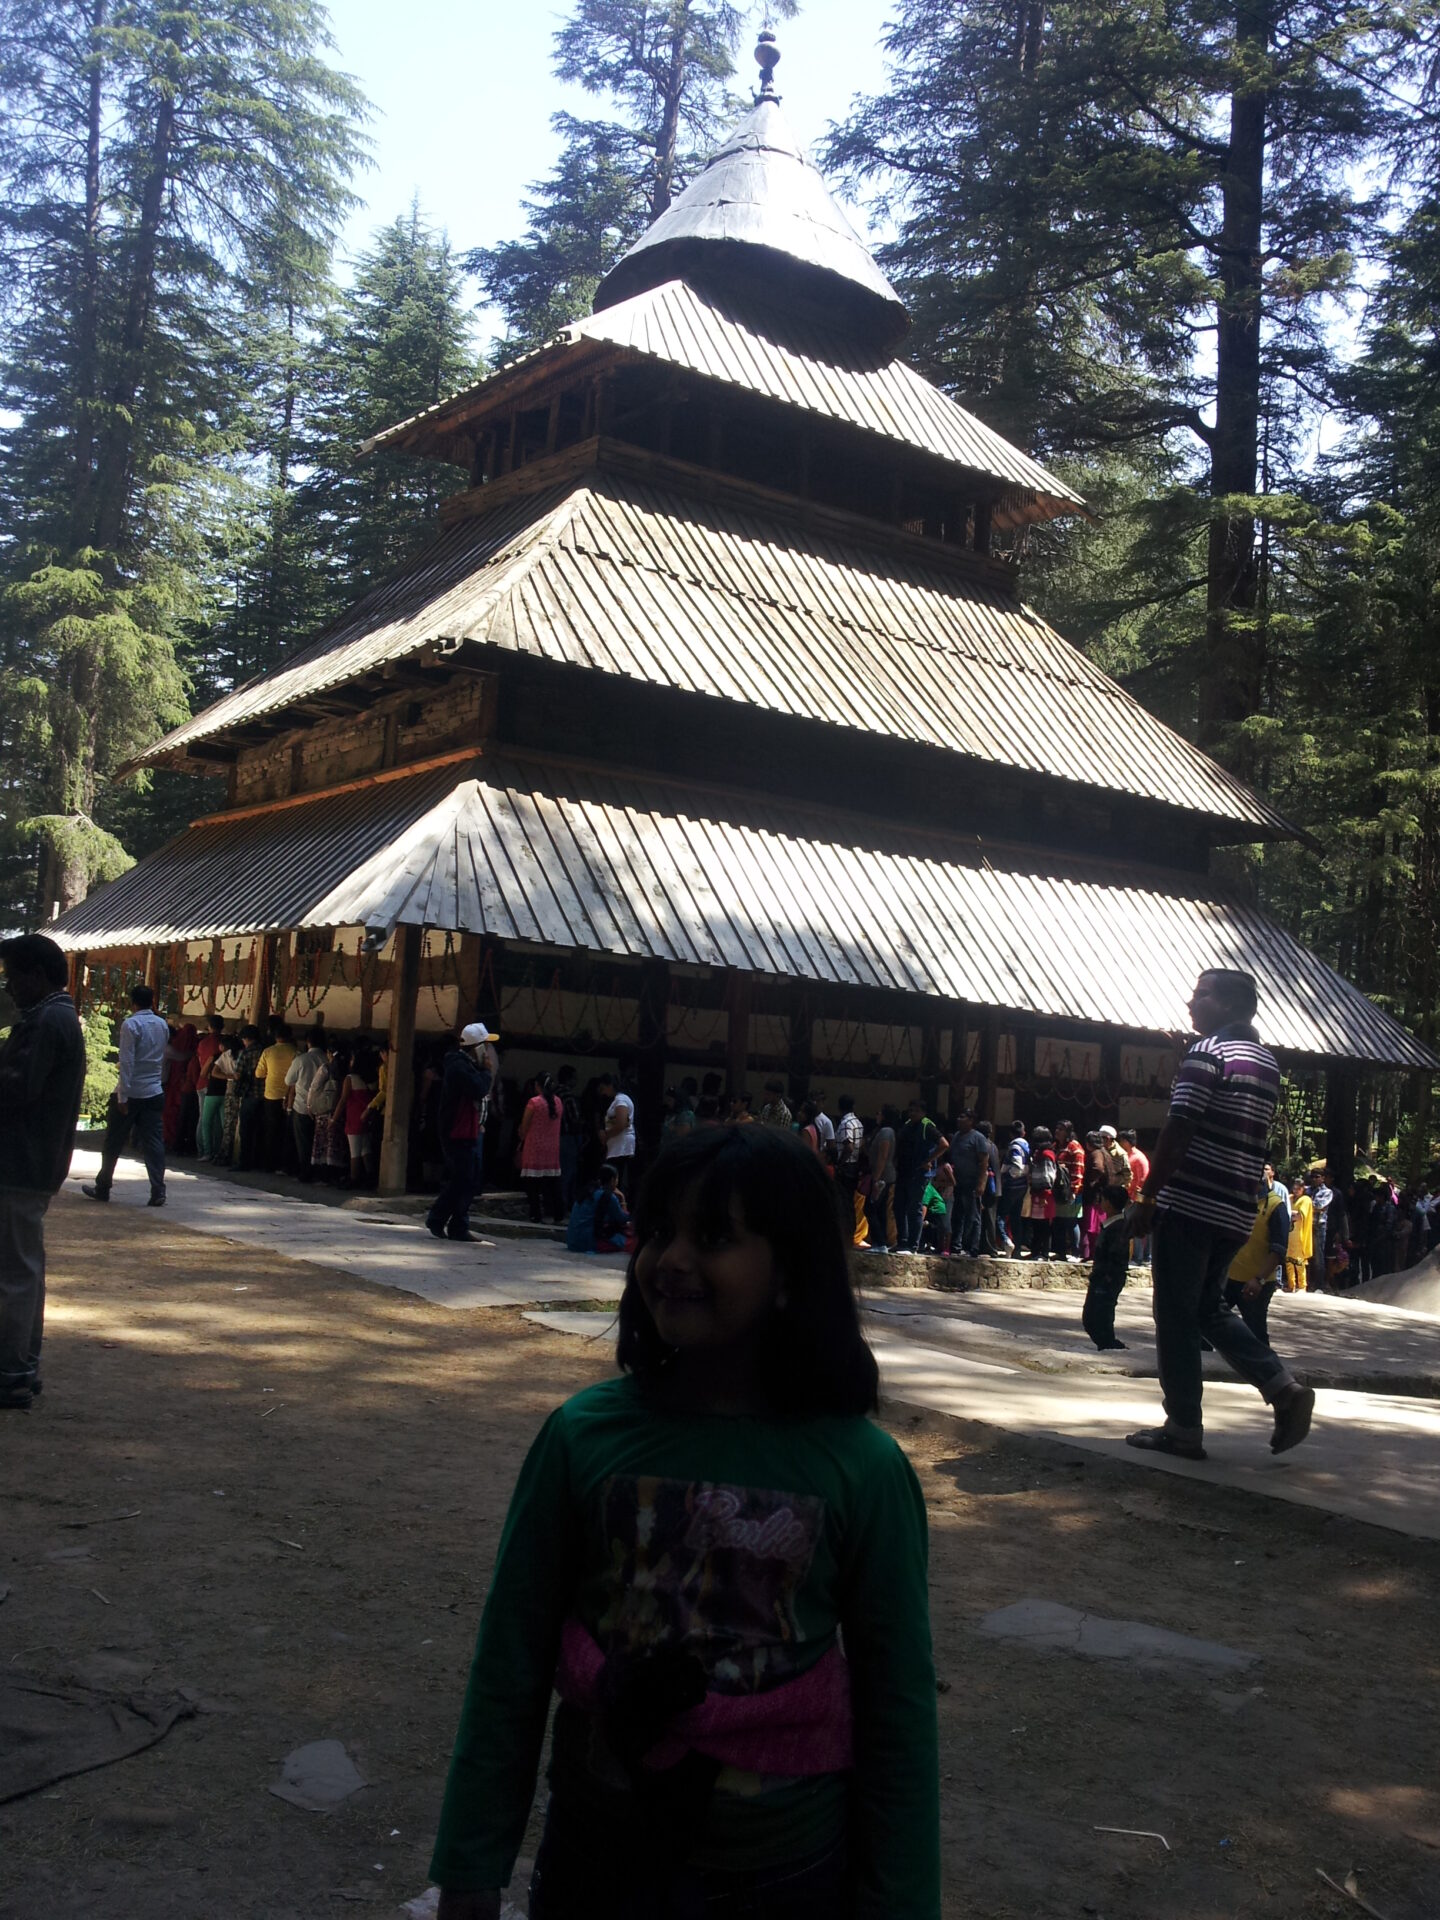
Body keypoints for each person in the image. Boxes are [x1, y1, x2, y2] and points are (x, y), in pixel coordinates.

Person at [428, 1125, 940, 1920]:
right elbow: (512, 1659)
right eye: (660, 1231)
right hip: (597, 1857)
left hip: (786, 1873)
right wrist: (470, 1863)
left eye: (713, 1238)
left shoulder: (863, 1472)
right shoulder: (581, 1438)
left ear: (790, 1273)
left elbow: (896, 1706)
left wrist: (901, 1902)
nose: (670, 1260)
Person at [1126, 969, 1315, 1461]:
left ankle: (1184, 1427)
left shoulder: (1207, 1054)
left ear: (1231, 1005)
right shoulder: (1266, 1063)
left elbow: (1179, 1128)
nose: (1191, 1003)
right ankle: (1282, 1387)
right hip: (1235, 1212)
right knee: (1209, 1308)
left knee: (1175, 1315)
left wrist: (1148, 1198)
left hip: (1189, 1204)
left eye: (1202, 995)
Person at [0, 934, 87, 1409]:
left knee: (15, 1273)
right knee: (24, 1269)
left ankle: (12, 1370)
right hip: (31, 1160)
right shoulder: (53, 1015)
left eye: (12, 976)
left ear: (35, 975)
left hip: (20, 1159)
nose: (9, 987)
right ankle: (20, 1367)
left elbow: (18, 1089)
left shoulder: (47, 1019)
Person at [83, 983, 171, 1206]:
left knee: (113, 1141)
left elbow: (127, 1061)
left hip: (132, 1091)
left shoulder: (131, 1025)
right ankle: (158, 1190)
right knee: (153, 1143)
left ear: (133, 1003)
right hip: (154, 1088)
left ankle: (103, 1186)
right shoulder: (162, 1024)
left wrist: (122, 1095)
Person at [426, 1025, 497, 1242]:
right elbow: (478, 1088)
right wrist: (486, 1071)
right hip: (456, 1131)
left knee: (469, 1179)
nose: (487, 1051)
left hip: (469, 1130)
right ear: (474, 1047)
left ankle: (457, 1224)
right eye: (484, 1045)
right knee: (461, 1179)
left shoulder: (467, 1065)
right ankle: (438, 1218)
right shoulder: (458, 1067)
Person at [1224, 1175, 1290, 1347]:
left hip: (1257, 1283)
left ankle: (1268, 1372)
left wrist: (1259, 1279)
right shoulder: (1237, 1200)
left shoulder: (1276, 1207)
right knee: (1204, 1322)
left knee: (1256, 1333)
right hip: (1227, 1278)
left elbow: (1278, 1250)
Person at [1081, 1184, 1133, 1351]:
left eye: (1102, 1200)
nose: (1100, 1203)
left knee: (1099, 1314)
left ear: (1109, 1203)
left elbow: (1116, 1255)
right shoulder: (1111, 1225)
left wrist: (1106, 1276)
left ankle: (1110, 1345)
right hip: (1102, 1276)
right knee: (1093, 1315)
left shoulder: (1118, 1228)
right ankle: (1107, 1344)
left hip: (1107, 1278)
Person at [894, 1098, 948, 1254]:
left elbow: (944, 1144)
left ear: (923, 1112)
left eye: (916, 1110)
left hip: (919, 1173)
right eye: (911, 1110)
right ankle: (902, 1242)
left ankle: (913, 1245)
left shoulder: (927, 1126)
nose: (913, 1113)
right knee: (899, 1206)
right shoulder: (907, 1125)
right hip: (904, 1171)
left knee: (914, 1207)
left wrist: (929, 1160)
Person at [520, 1076, 565, 1224]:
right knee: (553, 1183)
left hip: (534, 1147)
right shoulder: (558, 1101)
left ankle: (535, 1214)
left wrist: (520, 1135)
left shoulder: (534, 1102)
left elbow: (525, 1126)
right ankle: (558, 1213)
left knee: (532, 1184)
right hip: (552, 1148)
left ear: (538, 1086)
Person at [255, 1021, 297, 1173]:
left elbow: (259, 1073)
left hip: (271, 1094)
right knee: (287, 1131)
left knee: (271, 1130)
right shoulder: (295, 1052)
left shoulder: (268, 1051)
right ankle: (285, 1164)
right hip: (290, 1096)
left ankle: (269, 1163)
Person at [284, 1030, 325, 1182]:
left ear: (308, 1042)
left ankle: (305, 1172)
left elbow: (289, 1080)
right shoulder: (326, 1059)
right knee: (320, 1141)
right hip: (322, 1106)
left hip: (301, 1105)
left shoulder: (301, 1059)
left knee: (303, 1141)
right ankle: (320, 1172)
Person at [946, 1111, 988, 1259]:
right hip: (958, 1182)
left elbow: (983, 1162)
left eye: (962, 1117)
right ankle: (956, 1246)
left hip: (972, 1182)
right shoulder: (957, 1136)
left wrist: (981, 1183)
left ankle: (973, 1247)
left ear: (971, 1120)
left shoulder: (978, 1138)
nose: (959, 1119)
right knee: (957, 1215)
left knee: (973, 1216)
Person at [597, 1072, 636, 1201]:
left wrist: (606, 1135)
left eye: (603, 1088)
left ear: (610, 1086)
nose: (603, 1093)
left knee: (615, 1179)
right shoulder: (618, 1100)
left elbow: (621, 1123)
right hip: (617, 1146)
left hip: (621, 1147)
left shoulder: (621, 1100)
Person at [194, 1015, 228, 1161]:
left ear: (209, 1026)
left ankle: (203, 1150)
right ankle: (216, 1150)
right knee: (220, 1121)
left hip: (205, 1084)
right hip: (222, 1085)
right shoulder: (226, 1043)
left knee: (204, 1119)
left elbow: (201, 1066)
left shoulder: (203, 1043)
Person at [864, 1106, 897, 1252]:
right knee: (880, 1209)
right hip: (883, 1175)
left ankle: (880, 1241)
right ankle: (881, 1242)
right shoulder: (883, 1131)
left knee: (870, 1208)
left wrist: (876, 1178)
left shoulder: (885, 1132)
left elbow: (883, 1156)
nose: (876, 1115)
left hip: (882, 1176)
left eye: (879, 1113)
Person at [162, 1021, 198, 1153]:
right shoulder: (173, 1049)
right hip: (182, 1086)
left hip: (171, 1084)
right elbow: (182, 1057)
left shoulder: (174, 1045)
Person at [1052, 1120, 1084, 1261]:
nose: (1057, 1131)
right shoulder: (1056, 1146)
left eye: (1061, 1129)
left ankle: (1075, 1252)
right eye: (1057, 1128)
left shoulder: (1074, 1147)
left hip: (1071, 1192)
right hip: (1058, 1191)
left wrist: (1074, 1190)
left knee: (1071, 1222)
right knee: (1058, 1221)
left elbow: (1078, 1171)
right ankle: (1060, 1252)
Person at [1024, 1126, 1058, 1258]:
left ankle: (1044, 1252)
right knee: (1036, 1224)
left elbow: (1048, 1175)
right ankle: (1035, 1250)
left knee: (1044, 1225)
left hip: (1044, 1194)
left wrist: (1044, 1192)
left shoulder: (1046, 1154)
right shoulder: (1039, 1153)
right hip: (1037, 1193)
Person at [1118, 1130, 1151, 1264]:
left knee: (1136, 1226)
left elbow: (1142, 1179)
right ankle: (1138, 1256)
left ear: (1126, 1141)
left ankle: (1139, 1257)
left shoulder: (1138, 1157)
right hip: (1129, 1197)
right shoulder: (1128, 1155)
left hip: (1136, 1199)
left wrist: (1134, 1198)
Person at [998, 1123, 1029, 1255]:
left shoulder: (1015, 1146)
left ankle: (1006, 1240)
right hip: (1022, 1186)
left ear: (1011, 1134)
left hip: (1012, 1186)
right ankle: (1017, 1249)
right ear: (1023, 1132)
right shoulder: (1027, 1146)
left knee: (1000, 1216)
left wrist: (1008, 1175)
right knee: (1016, 1218)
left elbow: (1017, 1167)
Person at [834, 1094, 864, 1228]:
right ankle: (850, 1229)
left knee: (842, 1200)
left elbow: (849, 1146)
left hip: (846, 1166)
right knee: (849, 1201)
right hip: (854, 1165)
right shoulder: (858, 1122)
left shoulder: (846, 1123)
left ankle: (845, 1229)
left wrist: (839, 1164)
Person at [556, 1066, 584, 1212]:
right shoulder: (568, 1095)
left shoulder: (553, 1093)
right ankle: (565, 1204)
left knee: (559, 1173)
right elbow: (575, 1119)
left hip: (555, 1136)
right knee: (568, 1172)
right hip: (567, 1137)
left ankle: (557, 1203)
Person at [591, 1162, 630, 1253]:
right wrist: (623, 1199)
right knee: (628, 1242)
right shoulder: (609, 1196)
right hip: (590, 1241)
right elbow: (622, 1218)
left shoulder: (589, 1190)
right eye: (617, 1179)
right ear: (612, 1180)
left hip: (574, 1239)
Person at [1284, 1176, 1313, 1291]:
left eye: (1298, 1188)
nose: (1295, 1191)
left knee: (1299, 1261)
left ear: (1303, 1189)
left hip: (1299, 1233)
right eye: (1294, 1188)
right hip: (1288, 1233)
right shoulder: (1290, 1198)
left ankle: (1302, 1286)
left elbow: (1300, 1215)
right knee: (1288, 1260)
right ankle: (1291, 1285)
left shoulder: (1306, 1199)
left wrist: (1289, 1213)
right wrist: (1291, 1213)